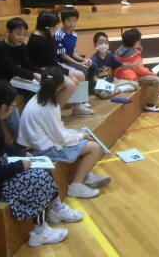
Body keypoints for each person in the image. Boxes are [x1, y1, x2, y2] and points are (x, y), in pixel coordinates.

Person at [0, 80, 80, 247]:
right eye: (12, 105)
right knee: (38, 179)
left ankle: (56, 208)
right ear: (3, 107)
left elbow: (0, 146)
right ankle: (40, 231)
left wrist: (22, 154)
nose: (13, 108)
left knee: (41, 166)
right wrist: (19, 166)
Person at [17, 67, 111, 199]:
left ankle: (86, 176)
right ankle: (76, 186)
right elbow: (62, 139)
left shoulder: (36, 98)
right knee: (94, 147)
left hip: (35, 144)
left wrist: (76, 135)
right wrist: (80, 135)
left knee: (78, 139)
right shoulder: (50, 107)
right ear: (60, 87)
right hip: (42, 150)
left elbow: (56, 132)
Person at [27, 12, 90, 116]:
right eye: (54, 27)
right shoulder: (37, 41)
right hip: (44, 70)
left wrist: (68, 71)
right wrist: (67, 72)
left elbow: (53, 61)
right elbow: (49, 63)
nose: (56, 29)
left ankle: (77, 107)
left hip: (52, 66)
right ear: (48, 27)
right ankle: (54, 113)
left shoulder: (46, 35)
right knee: (71, 84)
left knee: (80, 75)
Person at [114, 28, 159, 112]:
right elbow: (140, 70)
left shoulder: (118, 50)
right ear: (136, 42)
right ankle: (150, 105)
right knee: (157, 80)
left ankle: (155, 89)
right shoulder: (133, 54)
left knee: (148, 72)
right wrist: (153, 74)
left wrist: (138, 51)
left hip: (119, 75)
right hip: (130, 78)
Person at [55, 6, 98, 93]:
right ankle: (83, 96)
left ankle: (90, 90)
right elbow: (63, 56)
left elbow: (73, 53)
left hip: (71, 59)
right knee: (83, 70)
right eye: (68, 20)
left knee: (93, 65)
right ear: (63, 21)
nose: (72, 23)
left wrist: (84, 60)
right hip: (61, 62)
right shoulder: (59, 34)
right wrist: (79, 64)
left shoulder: (74, 34)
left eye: (74, 20)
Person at [0, 17, 42, 84]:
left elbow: (27, 64)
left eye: (24, 35)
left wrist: (42, 72)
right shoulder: (0, 48)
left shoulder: (21, 46)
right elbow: (13, 69)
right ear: (8, 32)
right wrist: (33, 75)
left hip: (13, 79)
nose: (21, 38)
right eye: (18, 34)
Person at [91, 32, 138, 99]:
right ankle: (115, 90)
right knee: (103, 94)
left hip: (112, 81)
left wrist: (134, 64)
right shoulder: (93, 60)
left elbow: (121, 64)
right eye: (100, 43)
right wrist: (103, 86)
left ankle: (117, 90)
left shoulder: (110, 56)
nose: (104, 45)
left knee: (135, 84)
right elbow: (94, 79)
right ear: (95, 45)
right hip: (101, 84)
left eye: (106, 43)